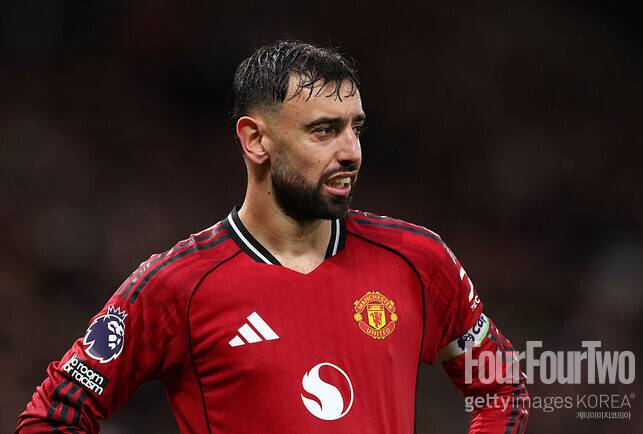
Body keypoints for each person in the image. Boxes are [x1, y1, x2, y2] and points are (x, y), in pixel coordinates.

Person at [17, 40, 528, 433]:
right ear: (255, 139)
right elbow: (53, 417)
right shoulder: (177, 286)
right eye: (324, 131)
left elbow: (502, 386)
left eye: (356, 129)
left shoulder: (417, 260)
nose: (351, 152)